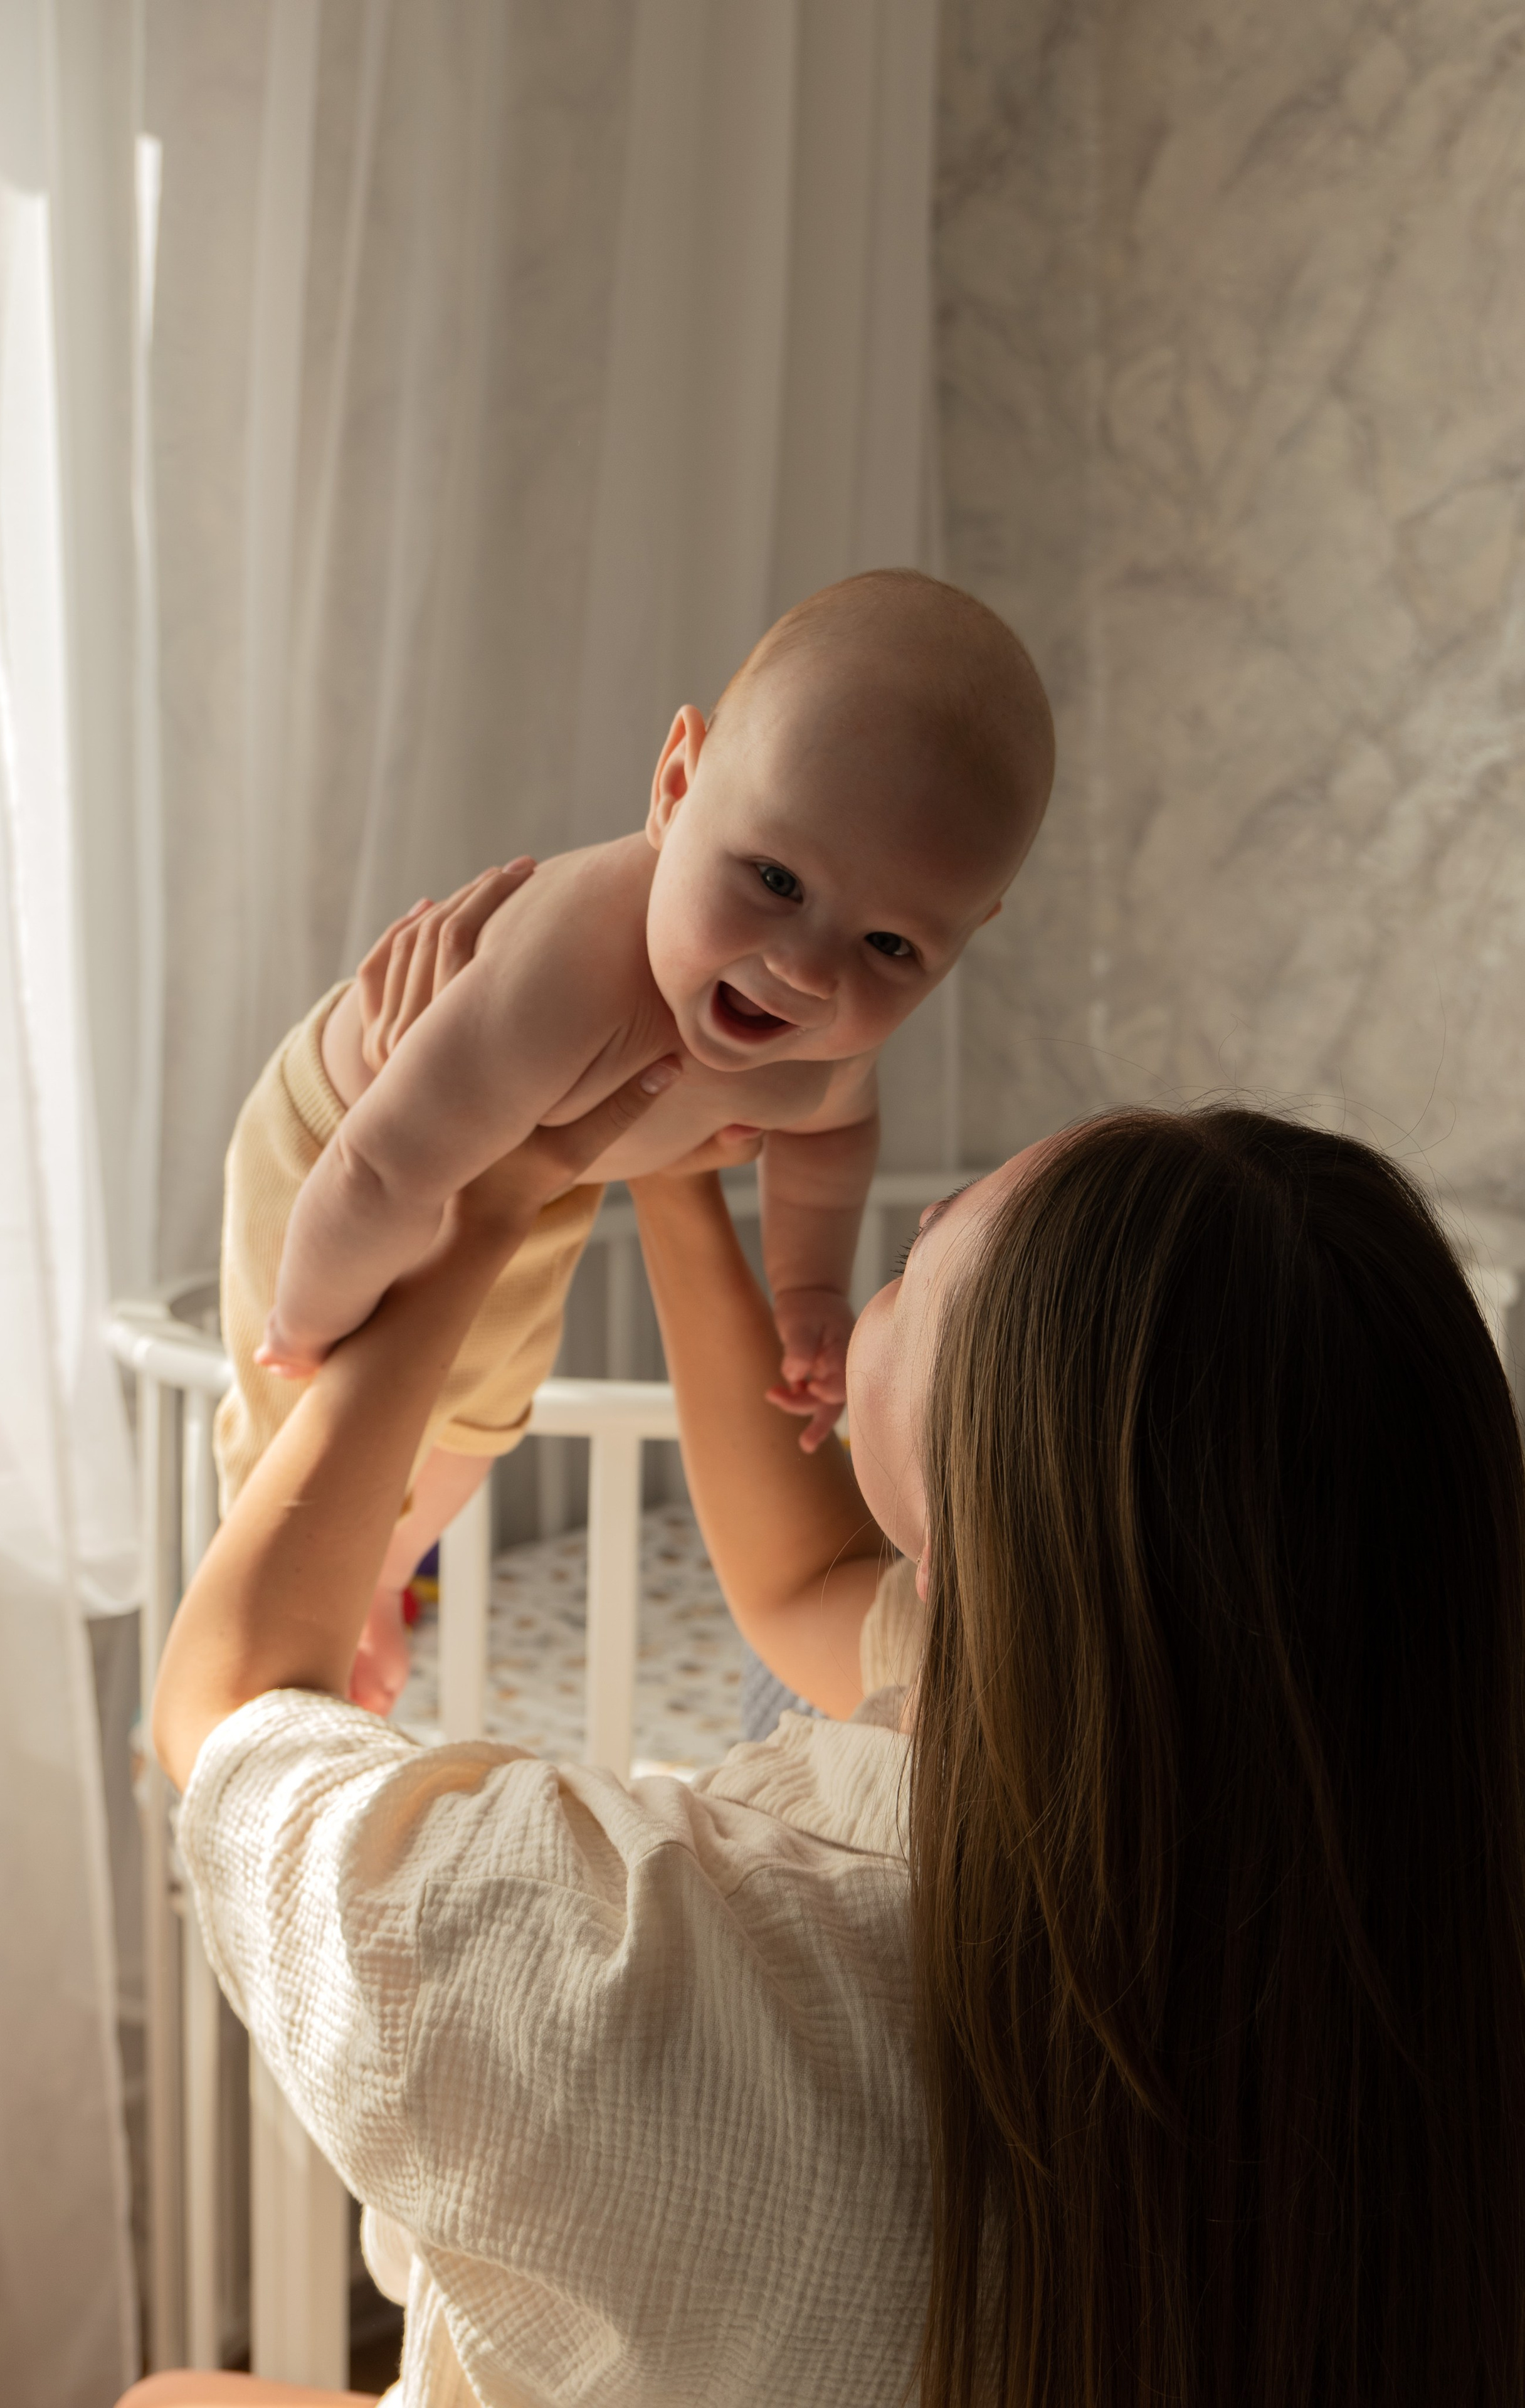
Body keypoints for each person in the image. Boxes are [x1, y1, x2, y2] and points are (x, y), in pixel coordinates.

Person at [137, 942, 1525, 2402]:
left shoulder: (616, 1946)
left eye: (920, 1263)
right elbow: (799, 1585)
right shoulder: (1409, 1928)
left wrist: (478, 1220)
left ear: (977, 1515)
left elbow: (227, 1708)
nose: (897, 1241)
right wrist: (667, 1177)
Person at [213, 568, 1055, 1710]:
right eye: (772, 878)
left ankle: (384, 1582)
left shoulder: (828, 1039)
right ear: (675, 785)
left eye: (892, 947)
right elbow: (379, 1166)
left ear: (964, 937)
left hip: (545, 1188)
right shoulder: (570, 972)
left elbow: (830, 1137)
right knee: (316, 1428)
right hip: (346, 1147)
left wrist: (806, 1290)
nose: (807, 971)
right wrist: (308, 1321)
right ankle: (260, 1571)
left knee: (474, 1429)